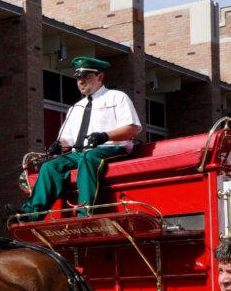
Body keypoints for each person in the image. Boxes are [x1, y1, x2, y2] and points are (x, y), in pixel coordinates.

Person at [19, 56, 141, 219]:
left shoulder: (117, 97)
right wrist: (58, 145)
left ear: (100, 77)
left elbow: (132, 129)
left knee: (88, 158)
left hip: (111, 148)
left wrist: (105, 136)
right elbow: (66, 141)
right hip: (80, 153)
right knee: (50, 166)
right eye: (78, 78)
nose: (81, 82)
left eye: (86, 77)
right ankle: (30, 214)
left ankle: (86, 213)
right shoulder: (75, 108)